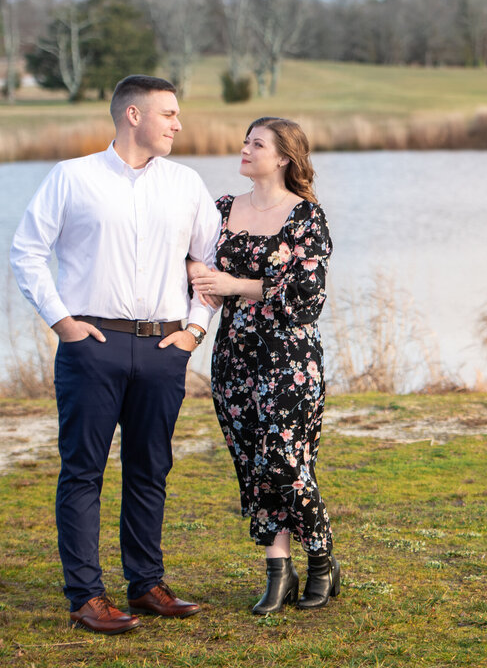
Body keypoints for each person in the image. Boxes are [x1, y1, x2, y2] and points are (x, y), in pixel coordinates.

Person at [10, 75, 221, 635]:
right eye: (169, 113)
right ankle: (85, 595)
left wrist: (194, 332)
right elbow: (27, 251)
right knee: (83, 471)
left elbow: (209, 266)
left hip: (162, 347)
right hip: (92, 347)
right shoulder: (71, 178)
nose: (178, 124)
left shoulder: (186, 184)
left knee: (151, 467)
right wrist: (63, 322)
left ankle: (146, 583)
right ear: (133, 115)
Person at [188, 116, 338, 614]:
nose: (245, 149)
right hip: (234, 355)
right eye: (245, 141)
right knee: (253, 466)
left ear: (283, 158)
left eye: (257, 143)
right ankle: (279, 571)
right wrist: (196, 270)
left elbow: (308, 295)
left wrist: (236, 286)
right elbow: (189, 255)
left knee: (286, 463)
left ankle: (321, 560)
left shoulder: (306, 217)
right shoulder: (223, 208)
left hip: (289, 356)